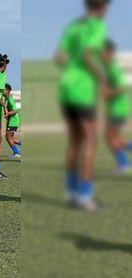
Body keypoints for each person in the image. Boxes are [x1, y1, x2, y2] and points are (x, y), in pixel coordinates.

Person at [54, 0, 110, 211]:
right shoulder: (96, 26)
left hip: (66, 87)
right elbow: (87, 56)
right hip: (83, 91)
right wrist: (102, 79)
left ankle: (70, 191)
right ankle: (85, 196)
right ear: (102, 6)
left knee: (75, 141)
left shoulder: (73, 26)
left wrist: (72, 71)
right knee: (90, 140)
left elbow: (59, 57)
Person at [102, 39, 131, 173]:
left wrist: (108, 94)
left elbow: (120, 88)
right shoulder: (107, 68)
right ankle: (124, 164)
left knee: (109, 137)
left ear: (108, 52)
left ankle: (124, 164)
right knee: (114, 138)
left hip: (117, 109)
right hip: (115, 108)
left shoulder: (112, 68)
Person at [3, 84, 21, 159]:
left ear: (7, 91)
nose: (1, 91)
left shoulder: (10, 99)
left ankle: (17, 153)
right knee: (10, 138)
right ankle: (16, 152)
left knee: (8, 137)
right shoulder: (6, 99)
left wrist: (7, 114)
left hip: (13, 121)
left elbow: (15, 110)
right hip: (11, 120)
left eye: (2, 89)